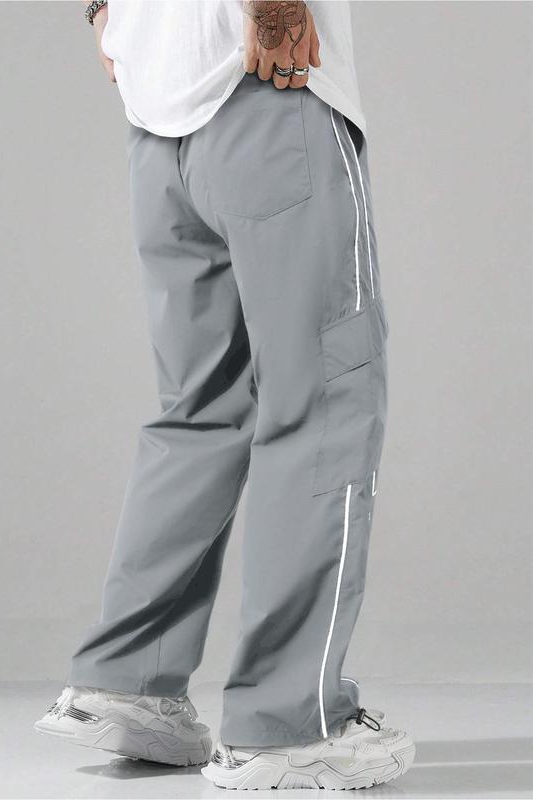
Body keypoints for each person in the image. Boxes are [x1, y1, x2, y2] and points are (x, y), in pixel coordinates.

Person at [34, 1, 415, 790]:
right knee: (325, 404)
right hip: (268, 86)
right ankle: (291, 725)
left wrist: (105, 10)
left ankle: (128, 680)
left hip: (160, 121)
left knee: (199, 410)